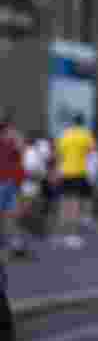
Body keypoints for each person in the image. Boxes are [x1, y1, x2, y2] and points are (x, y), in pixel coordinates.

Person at [54, 113, 96, 249]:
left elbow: (58, 154)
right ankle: (72, 235)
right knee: (76, 204)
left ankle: (61, 234)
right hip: (79, 172)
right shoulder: (86, 135)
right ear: (82, 122)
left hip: (65, 172)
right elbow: (91, 152)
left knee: (64, 203)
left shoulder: (65, 134)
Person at [0, 110, 27, 259]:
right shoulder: (13, 137)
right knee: (11, 214)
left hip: (9, 180)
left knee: (9, 213)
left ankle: (14, 243)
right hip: (10, 180)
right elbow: (22, 150)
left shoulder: (11, 138)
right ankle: (15, 244)